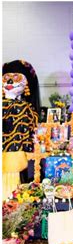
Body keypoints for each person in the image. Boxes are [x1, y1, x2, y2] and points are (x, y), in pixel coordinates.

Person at [2, 60, 40, 199]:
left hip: (19, 157)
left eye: (16, 77)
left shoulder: (26, 108)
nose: (10, 80)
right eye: (6, 77)